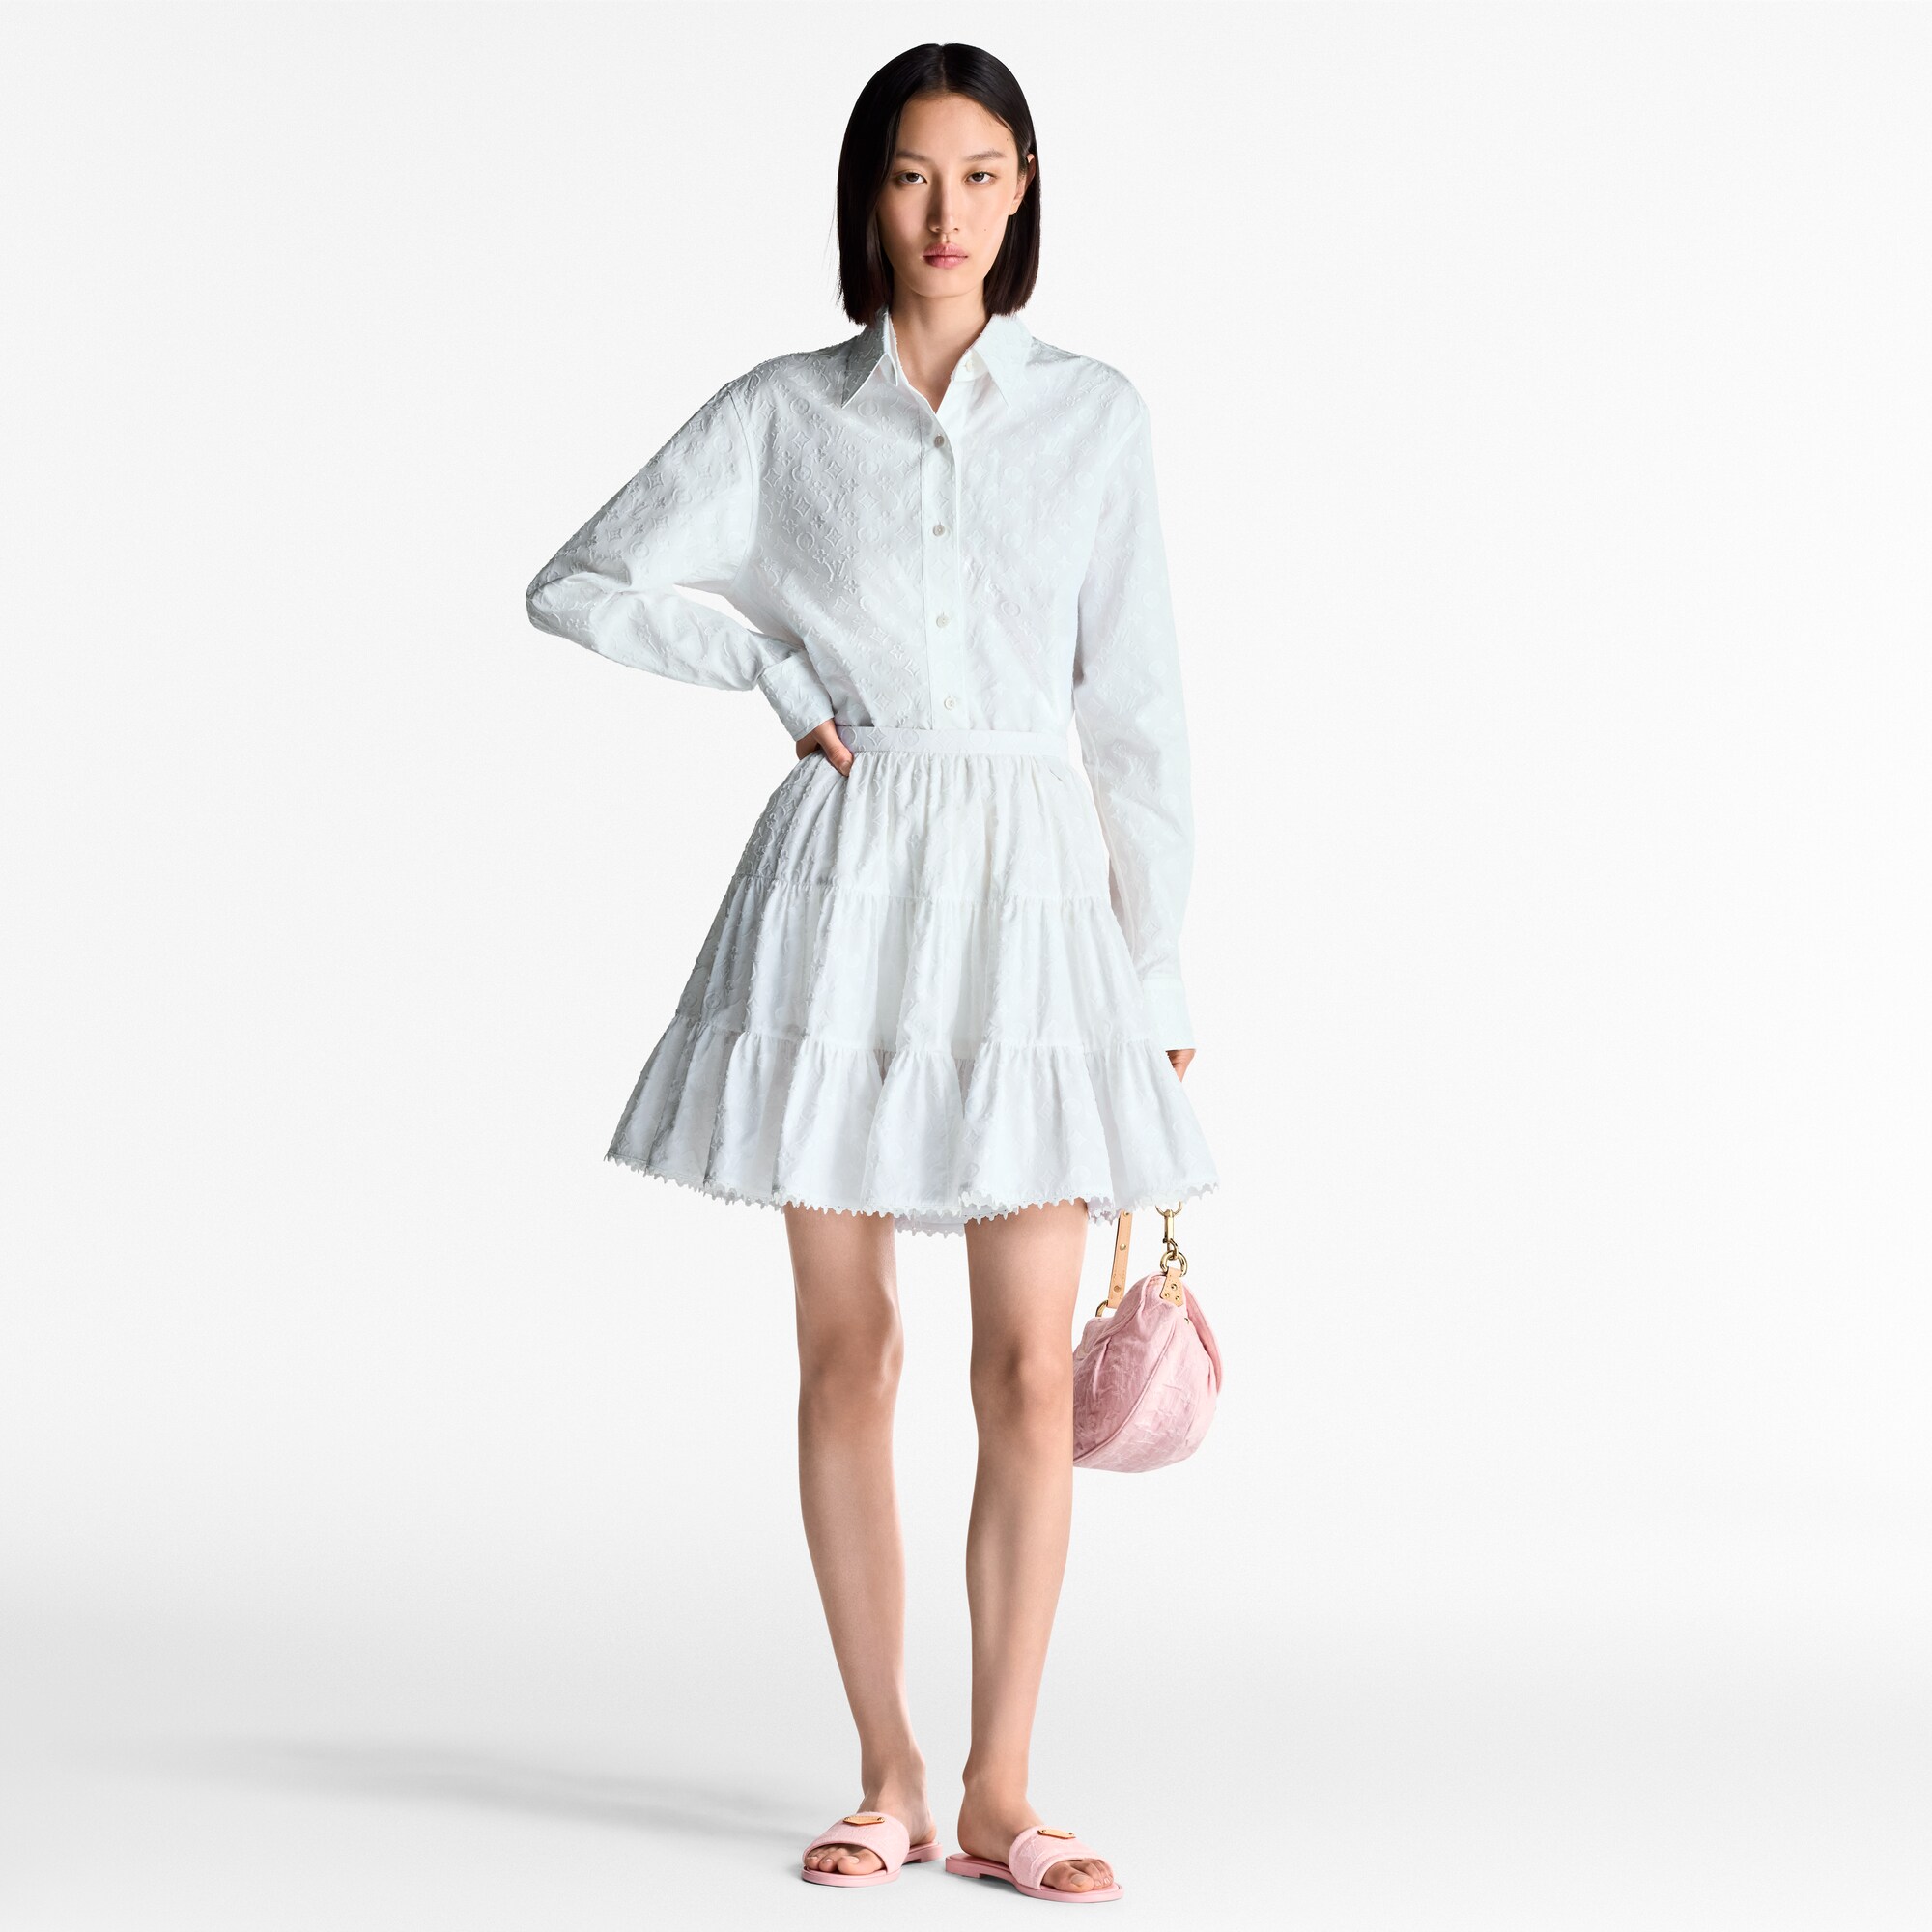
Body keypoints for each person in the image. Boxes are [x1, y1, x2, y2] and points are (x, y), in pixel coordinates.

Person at [525, 43, 1215, 1903]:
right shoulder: (783, 414)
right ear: (868, 195)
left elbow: (1137, 713)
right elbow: (580, 579)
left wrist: (1154, 984)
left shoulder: (1095, 416)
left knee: (1026, 1367)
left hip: (1036, 910)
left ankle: (1002, 1786)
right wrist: (769, 669)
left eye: (982, 174)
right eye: (914, 175)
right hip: (843, 892)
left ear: (1025, 188)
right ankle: (889, 1771)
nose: (946, 212)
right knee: (849, 1351)